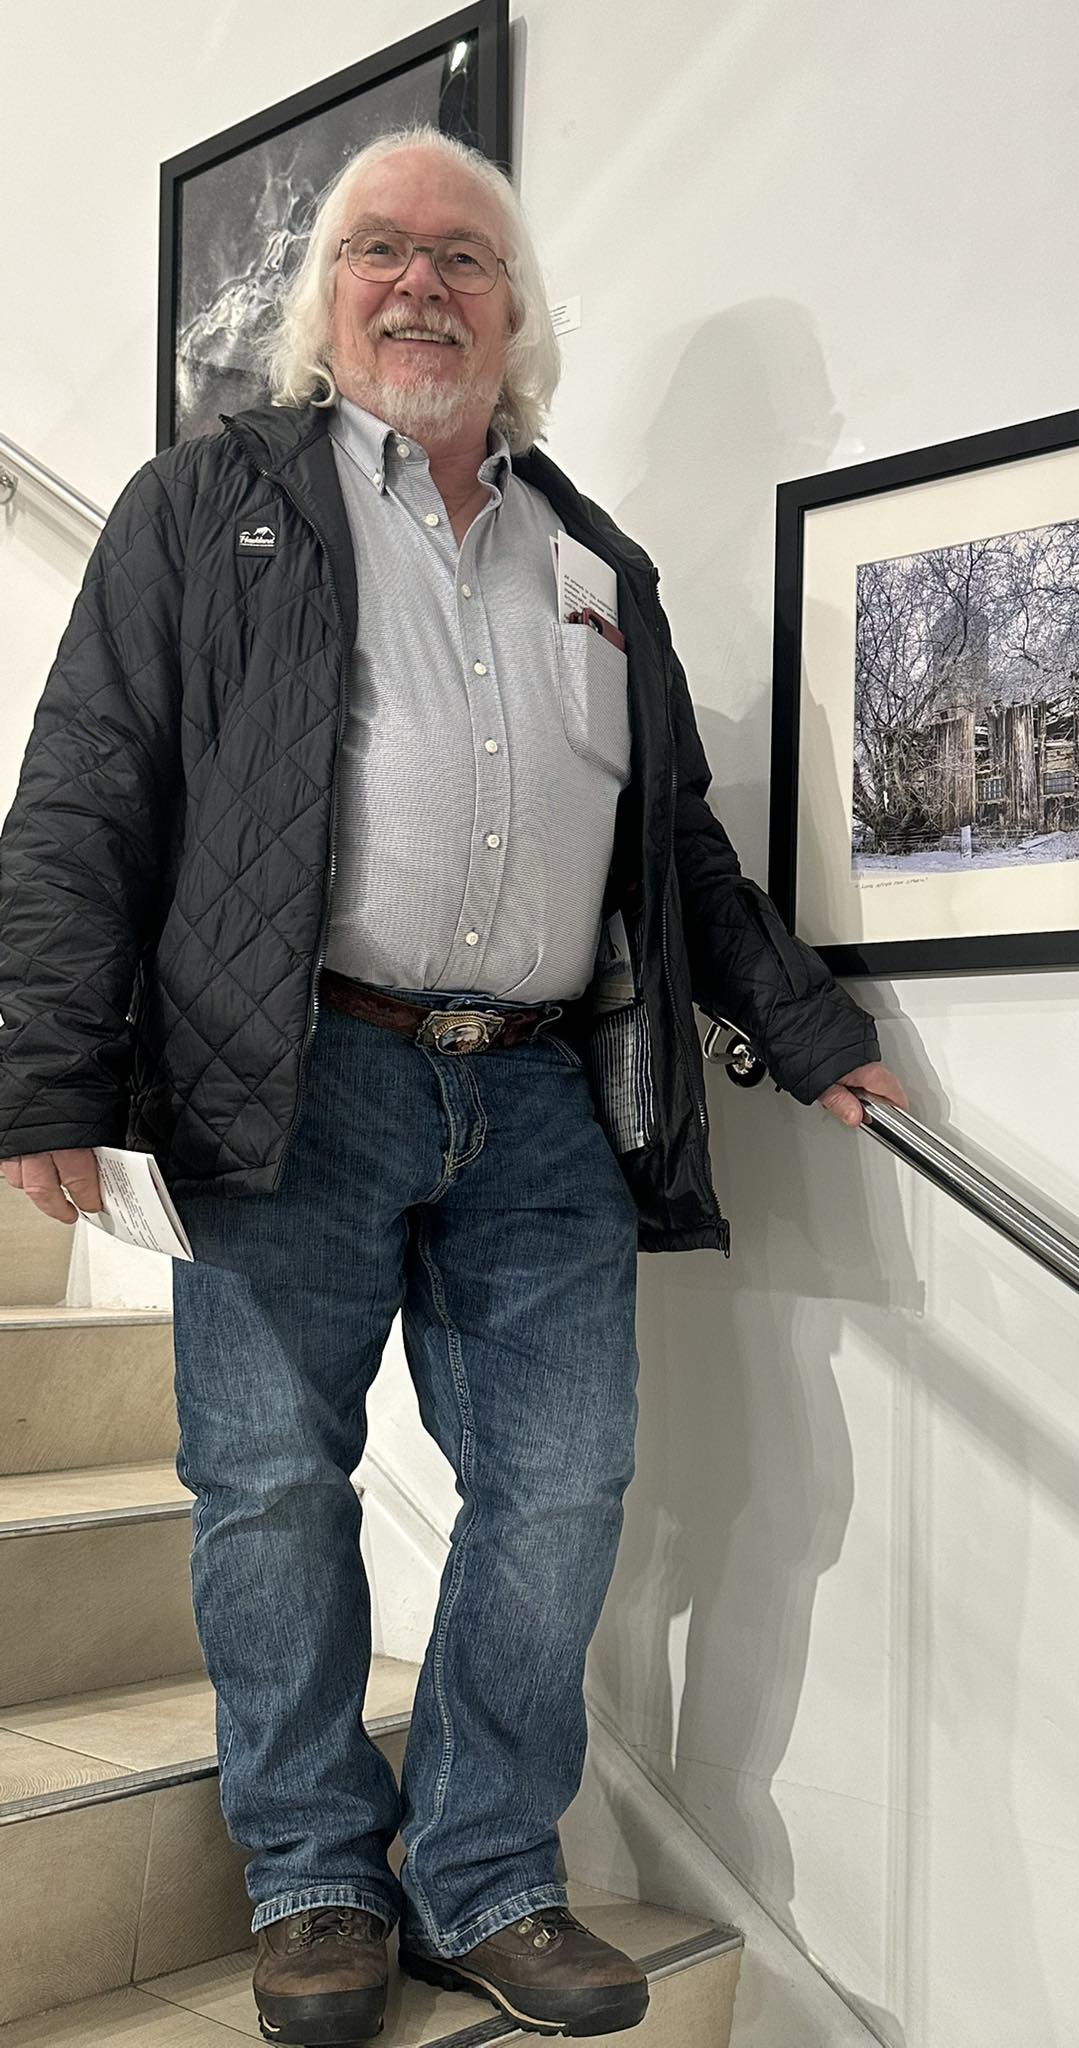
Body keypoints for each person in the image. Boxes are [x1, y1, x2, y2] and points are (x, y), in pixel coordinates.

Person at [0, 124, 907, 2044]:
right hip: (288, 1074)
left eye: (467, 258)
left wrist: (809, 1034)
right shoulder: (207, 506)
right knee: (270, 1488)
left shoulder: (598, 562)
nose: (423, 283)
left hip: (542, 1099)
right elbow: (87, 789)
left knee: (563, 1484)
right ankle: (317, 1874)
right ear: (329, 304)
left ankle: (484, 1872)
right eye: (382, 252)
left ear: (522, 316)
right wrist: (46, 1077)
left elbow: (676, 846)